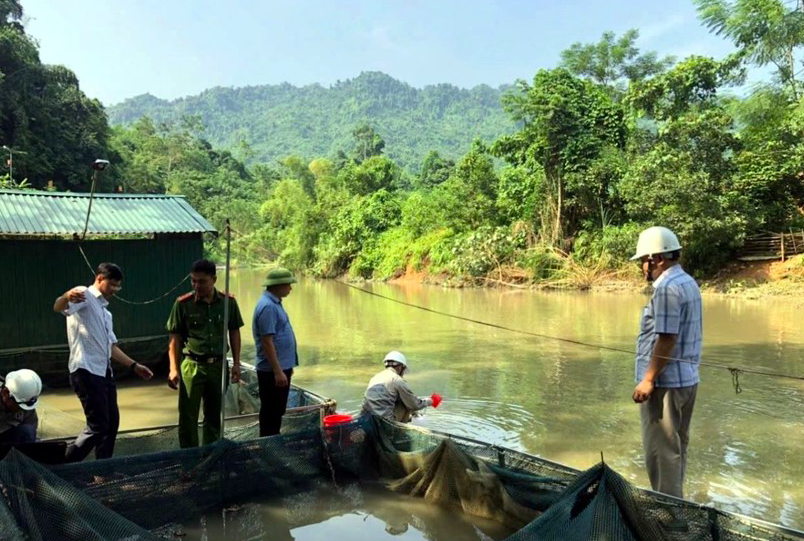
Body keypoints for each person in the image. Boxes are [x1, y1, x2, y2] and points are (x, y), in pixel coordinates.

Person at [54, 263, 153, 461]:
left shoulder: (106, 312)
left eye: (118, 286)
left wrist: (134, 366)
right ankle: (65, 466)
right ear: (100, 279)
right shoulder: (84, 294)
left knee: (112, 423)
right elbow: (58, 307)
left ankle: (102, 472)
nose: (115, 290)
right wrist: (66, 296)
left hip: (104, 372)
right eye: (113, 285)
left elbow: (111, 347)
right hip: (85, 369)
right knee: (98, 425)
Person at [631, 226, 702, 499]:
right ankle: (677, 509)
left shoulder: (668, 288)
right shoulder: (688, 282)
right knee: (676, 451)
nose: (641, 267)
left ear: (656, 259)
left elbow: (667, 339)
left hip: (666, 385)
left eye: (642, 261)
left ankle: (667, 519)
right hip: (686, 382)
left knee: (661, 455)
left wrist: (648, 379)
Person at [167, 259, 244, 448]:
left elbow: (234, 332)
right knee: (188, 417)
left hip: (218, 366)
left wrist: (236, 363)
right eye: (193, 281)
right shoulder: (183, 304)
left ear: (214, 279)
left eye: (201, 281)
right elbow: (174, 338)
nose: (196, 285)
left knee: (214, 415)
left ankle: (210, 458)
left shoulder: (228, 303)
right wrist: (173, 369)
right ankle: (190, 463)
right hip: (192, 366)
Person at [252, 267, 299, 437]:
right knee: (271, 411)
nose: (290, 288)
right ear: (277, 286)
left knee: (277, 410)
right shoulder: (268, 307)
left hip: (281, 368)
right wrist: (278, 371)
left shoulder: (274, 303)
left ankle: (273, 440)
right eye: (288, 284)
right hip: (271, 370)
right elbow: (267, 342)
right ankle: (269, 443)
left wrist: (287, 367)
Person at [360, 351, 442, 423]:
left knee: (403, 399)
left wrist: (414, 412)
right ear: (400, 367)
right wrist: (429, 401)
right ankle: (404, 424)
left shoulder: (376, 377)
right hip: (384, 422)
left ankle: (413, 416)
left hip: (368, 418)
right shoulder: (397, 380)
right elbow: (413, 404)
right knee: (406, 402)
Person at [0, 369, 42, 444]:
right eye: (19, 405)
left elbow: (31, 433)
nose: (22, 409)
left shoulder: (26, 401)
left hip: (8, 438)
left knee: (27, 431)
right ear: (5, 393)